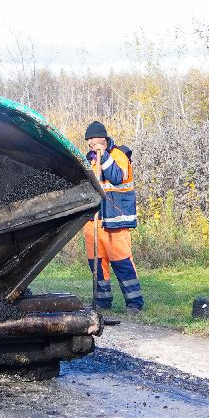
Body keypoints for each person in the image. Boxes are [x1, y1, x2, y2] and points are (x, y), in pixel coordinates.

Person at [83, 120, 140, 325]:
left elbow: (116, 177)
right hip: (94, 222)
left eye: (92, 139)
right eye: (87, 140)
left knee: (122, 263)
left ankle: (134, 303)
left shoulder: (119, 155)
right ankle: (102, 301)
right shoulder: (89, 160)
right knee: (97, 263)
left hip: (116, 221)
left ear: (103, 138)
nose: (89, 143)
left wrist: (103, 155)